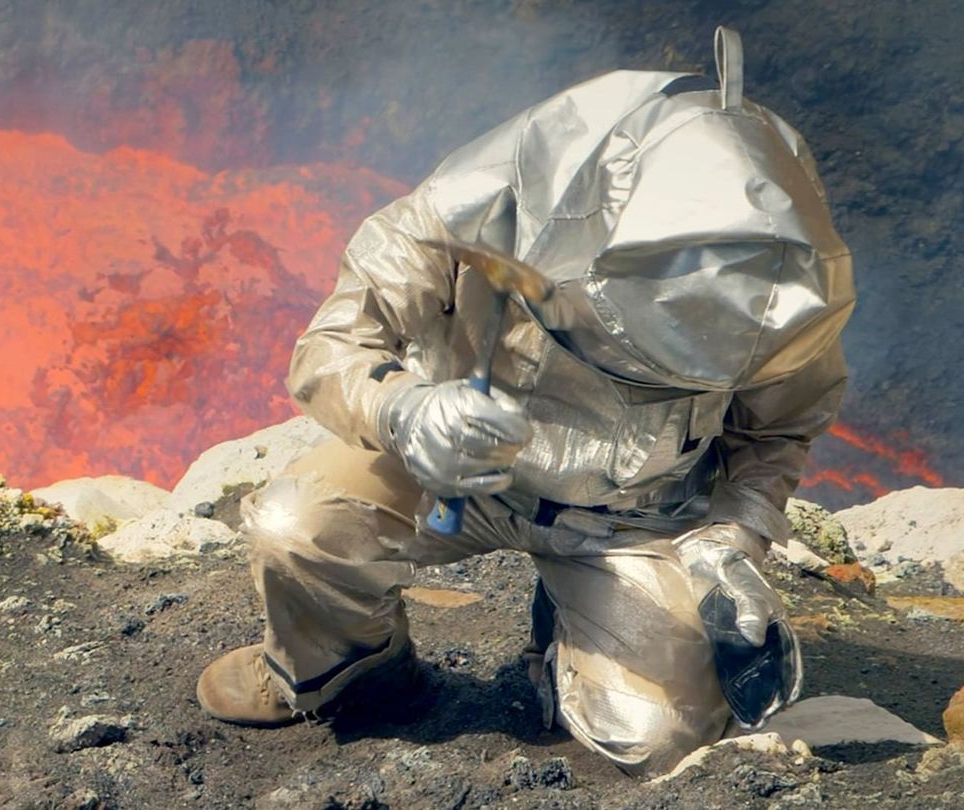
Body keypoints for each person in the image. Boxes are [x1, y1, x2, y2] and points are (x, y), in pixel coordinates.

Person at [194, 28, 855, 776]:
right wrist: (403, 411)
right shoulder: (471, 208)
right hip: (452, 469)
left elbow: (779, 434)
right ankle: (347, 668)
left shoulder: (782, 285)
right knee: (297, 527)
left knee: (657, 738)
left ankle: (567, 642)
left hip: (631, 514)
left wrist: (733, 543)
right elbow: (328, 349)